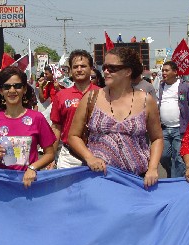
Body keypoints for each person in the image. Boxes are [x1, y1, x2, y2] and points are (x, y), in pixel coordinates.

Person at [68, 47, 164, 188]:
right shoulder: (91, 98)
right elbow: (73, 136)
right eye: (104, 67)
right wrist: (89, 158)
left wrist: (153, 168)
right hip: (98, 180)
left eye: (112, 68)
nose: (106, 71)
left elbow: (157, 138)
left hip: (136, 181)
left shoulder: (146, 100)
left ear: (128, 71)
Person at [0, 66, 56, 188]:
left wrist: (33, 167)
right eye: (7, 87)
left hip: (30, 183)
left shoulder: (37, 118)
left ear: (24, 89)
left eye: (17, 86)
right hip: (3, 185)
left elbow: (50, 154)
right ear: (1, 91)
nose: (12, 90)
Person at [49, 49, 100, 169]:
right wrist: (51, 156)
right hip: (69, 157)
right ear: (70, 70)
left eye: (83, 66)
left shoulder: (102, 94)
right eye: (75, 66)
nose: (79, 69)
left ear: (91, 68)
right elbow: (56, 127)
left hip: (97, 154)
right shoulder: (61, 95)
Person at [158, 61, 189, 178]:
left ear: (175, 72)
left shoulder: (185, 86)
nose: (164, 73)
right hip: (164, 129)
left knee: (179, 158)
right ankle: (172, 174)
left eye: (166, 70)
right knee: (163, 156)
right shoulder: (161, 86)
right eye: (163, 71)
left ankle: (175, 182)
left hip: (180, 130)